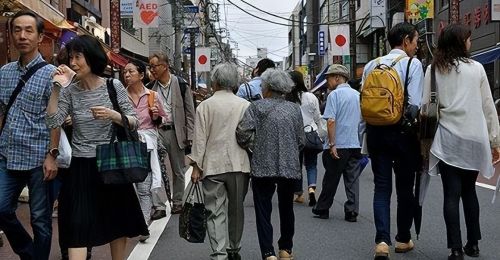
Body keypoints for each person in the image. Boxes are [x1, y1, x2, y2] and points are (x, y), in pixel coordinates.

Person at [47, 35, 148, 260]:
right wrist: (56, 88)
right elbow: (53, 122)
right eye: (70, 57)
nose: (72, 62)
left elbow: (134, 121)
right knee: (76, 225)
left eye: (77, 57)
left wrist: (114, 115)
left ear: (91, 58)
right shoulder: (69, 91)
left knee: (116, 221)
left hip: (110, 164)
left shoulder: (113, 85)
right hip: (81, 167)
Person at [423, 24, 500, 260]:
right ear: (459, 42)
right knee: (470, 193)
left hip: (448, 140)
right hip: (474, 139)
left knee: (451, 195)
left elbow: (426, 105)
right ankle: (473, 244)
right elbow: (488, 106)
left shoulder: (433, 69)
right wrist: (495, 140)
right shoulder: (476, 69)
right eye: (468, 39)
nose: (470, 42)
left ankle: (455, 249)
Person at [361, 22, 424, 259]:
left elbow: (365, 102)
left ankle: (381, 242)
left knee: (382, 187)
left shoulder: (371, 65)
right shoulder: (412, 64)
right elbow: (415, 103)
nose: (416, 46)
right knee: (405, 187)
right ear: (406, 40)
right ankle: (403, 238)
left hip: (376, 131)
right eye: (416, 41)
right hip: (403, 133)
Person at [0, 10, 58, 260]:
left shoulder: (52, 74)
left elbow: (55, 118)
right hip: (7, 153)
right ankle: (30, 254)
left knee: (40, 220)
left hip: (38, 157)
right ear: (10, 34)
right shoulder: (4, 72)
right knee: (1, 209)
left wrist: (52, 155)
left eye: (28, 30)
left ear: (40, 36)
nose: (21, 36)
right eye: (16, 30)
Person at [237, 69, 305, 260]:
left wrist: (255, 146)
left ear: (267, 87)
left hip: (262, 165)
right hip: (289, 166)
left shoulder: (256, 107)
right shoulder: (294, 109)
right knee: (286, 208)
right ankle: (286, 249)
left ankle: (268, 252)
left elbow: (242, 133)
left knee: (263, 209)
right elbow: (301, 140)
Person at [189, 63, 251, 260]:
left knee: (214, 210)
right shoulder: (245, 105)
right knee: (236, 209)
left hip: (212, 165)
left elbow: (200, 139)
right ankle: (234, 248)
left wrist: (196, 167)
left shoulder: (205, 106)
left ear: (214, 81)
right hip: (239, 163)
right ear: (234, 82)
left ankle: (219, 252)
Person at [311, 64, 362, 222]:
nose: (327, 81)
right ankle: (352, 210)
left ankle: (323, 208)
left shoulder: (334, 95)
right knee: (352, 178)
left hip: (339, 144)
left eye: (329, 78)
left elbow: (331, 121)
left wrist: (332, 144)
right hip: (355, 143)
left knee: (331, 178)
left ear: (338, 78)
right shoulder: (357, 95)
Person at [124, 60, 166, 242]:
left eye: (130, 72)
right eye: (125, 72)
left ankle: (143, 226)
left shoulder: (152, 96)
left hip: (146, 145)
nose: (126, 75)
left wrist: (156, 116)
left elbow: (162, 121)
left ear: (141, 75)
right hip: (126, 144)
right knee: (127, 188)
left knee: (143, 187)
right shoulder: (120, 96)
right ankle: (132, 221)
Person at [148, 53, 195, 217]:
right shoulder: (150, 88)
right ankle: (159, 206)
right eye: (150, 66)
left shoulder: (181, 85)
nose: (152, 70)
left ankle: (177, 203)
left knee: (178, 170)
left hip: (176, 131)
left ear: (165, 66)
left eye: (154, 66)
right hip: (158, 130)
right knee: (156, 168)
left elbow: (190, 112)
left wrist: (190, 135)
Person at [287, 70, 322, 206]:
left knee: (297, 165)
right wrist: (321, 134)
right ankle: (312, 190)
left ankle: (299, 193)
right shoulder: (311, 97)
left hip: (294, 136)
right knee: (311, 165)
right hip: (311, 134)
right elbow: (318, 117)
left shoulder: (288, 99)